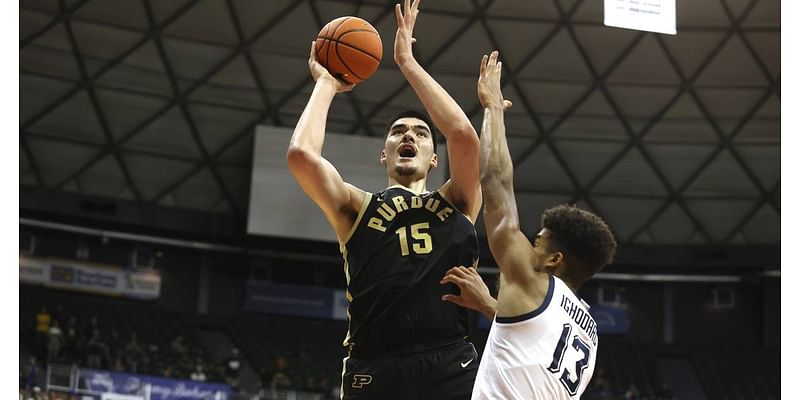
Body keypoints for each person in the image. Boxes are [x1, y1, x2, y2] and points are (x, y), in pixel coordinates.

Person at [286, 0, 482, 397]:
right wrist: (326, 83)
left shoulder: (457, 202)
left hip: (449, 361)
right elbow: (301, 157)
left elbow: (462, 134)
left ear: (433, 159)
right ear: (384, 154)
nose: (408, 136)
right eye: (397, 132)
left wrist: (407, 63)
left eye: (421, 133)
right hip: (374, 366)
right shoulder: (355, 208)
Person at [441, 51, 617, 399]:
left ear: (555, 260)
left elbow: (495, 184)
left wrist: (492, 109)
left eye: (539, 241)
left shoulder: (533, 280)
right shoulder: (589, 332)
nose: (529, 244)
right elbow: (532, 349)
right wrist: (490, 306)